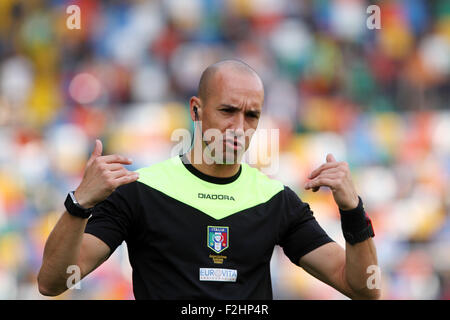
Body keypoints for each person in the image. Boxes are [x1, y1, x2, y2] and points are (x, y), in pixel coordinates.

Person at [37, 60, 380, 300]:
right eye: (227, 111)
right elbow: (52, 282)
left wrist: (353, 211)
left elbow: (364, 290)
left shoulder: (275, 200)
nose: (239, 127)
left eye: (252, 115)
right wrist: (79, 204)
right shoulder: (140, 191)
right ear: (196, 110)